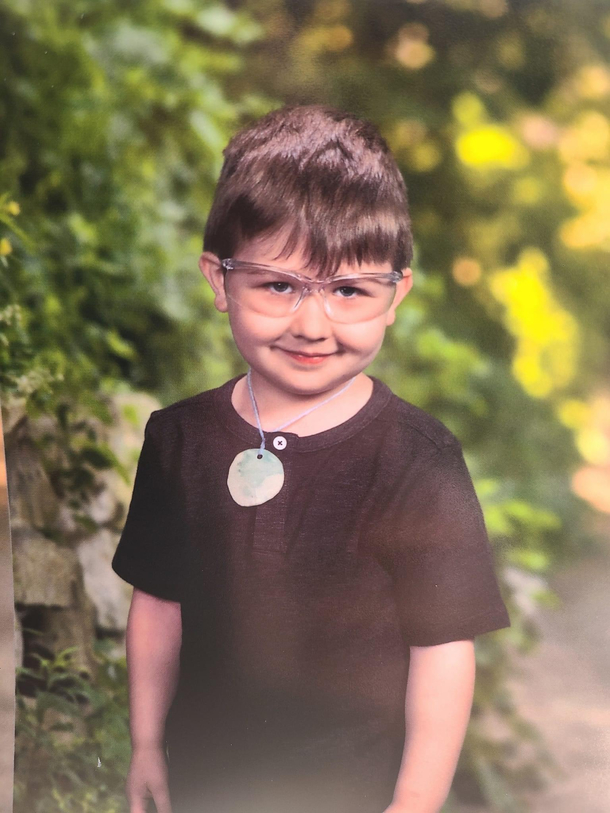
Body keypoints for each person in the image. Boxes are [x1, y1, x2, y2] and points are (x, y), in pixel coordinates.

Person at [111, 104, 511, 813]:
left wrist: (414, 803)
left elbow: (444, 650)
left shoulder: (418, 460)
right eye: (279, 285)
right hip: (208, 784)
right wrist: (146, 743)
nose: (312, 324)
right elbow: (158, 604)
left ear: (396, 296)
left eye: (350, 290)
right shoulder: (177, 439)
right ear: (219, 280)